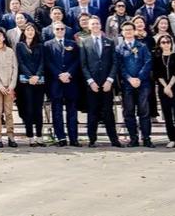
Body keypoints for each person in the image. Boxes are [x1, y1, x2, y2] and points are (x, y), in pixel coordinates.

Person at [80, 16, 120, 147]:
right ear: (89, 27)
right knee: (92, 112)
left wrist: (110, 80)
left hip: (107, 83)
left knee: (108, 112)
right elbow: (83, 65)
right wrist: (90, 81)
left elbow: (114, 62)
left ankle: (114, 139)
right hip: (92, 84)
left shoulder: (109, 41)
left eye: (97, 23)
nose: (95, 26)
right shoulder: (84, 42)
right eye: (93, 24)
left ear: (101, 25)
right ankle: (92, 139)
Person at [115, 21, 154, 148]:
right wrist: (129, 78)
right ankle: (133, 138)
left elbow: (148, 62)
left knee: (144, 112)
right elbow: (120, 66)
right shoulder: (119, 48)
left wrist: (139, 78)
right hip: (127, 85)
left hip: (143, 84)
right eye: (125, 30)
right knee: (129, 112)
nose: (128, 32)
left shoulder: (142, 46)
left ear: (134, 31)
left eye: (130, 29)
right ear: (122, 32)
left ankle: (146, 138)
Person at [44, 21, 80, 146]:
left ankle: (74, 138)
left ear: (65, 30)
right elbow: (48, 62)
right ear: (53, 31)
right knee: (57, 112)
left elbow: (77, 60)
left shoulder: (73, 44)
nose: (60, 31)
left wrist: (69, 73)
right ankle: (61, 138)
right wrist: (59, 74)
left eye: (62, 29)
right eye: (57, 29)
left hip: (70, 81)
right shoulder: (48, 45)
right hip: (56, 82)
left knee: (72, 112)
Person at [153, 33, 175, 148]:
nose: (166, 44)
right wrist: (165, 87)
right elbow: (157, 74)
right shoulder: (157, 58)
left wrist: (170, 86)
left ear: (171, 44)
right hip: (163, 88)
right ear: (159, 44)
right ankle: (171, 138)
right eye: (163, 42)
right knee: (167, 114)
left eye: (168, 42)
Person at [16, 23, 45, 146]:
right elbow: (20, 62)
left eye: (32, 30)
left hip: (39, 82)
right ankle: (30, 136)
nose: (30, 31)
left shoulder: (40, 46)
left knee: (38, 109)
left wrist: (37, 76)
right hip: (25, 82)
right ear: (24, 32)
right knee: (28, 109)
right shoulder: (19, 45)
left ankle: (39, 136)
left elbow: (42, 62)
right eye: (28, 29)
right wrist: (30, 76)